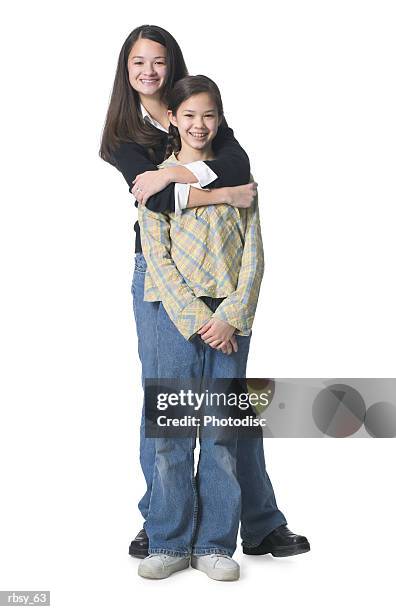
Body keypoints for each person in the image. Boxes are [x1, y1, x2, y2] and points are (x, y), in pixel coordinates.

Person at [100, 24, 309, 565]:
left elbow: (239, 169)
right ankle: (163, 524)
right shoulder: (123, 134)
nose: (149, 71)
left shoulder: (199, 107)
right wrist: (217, 189)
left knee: (231, 407)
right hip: (162, 270)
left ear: (173, 65)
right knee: (168, 400)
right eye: (138, 62)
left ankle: (257, 523)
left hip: (224, 269)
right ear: (126, 70)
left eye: (159, 61)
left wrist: (175, 173)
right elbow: (156, 201)